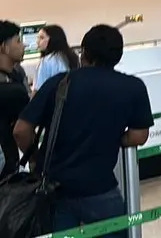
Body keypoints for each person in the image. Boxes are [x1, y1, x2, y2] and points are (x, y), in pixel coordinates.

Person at [15, 24, 152, 235]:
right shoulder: (133, 87)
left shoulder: (60, 83)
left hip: (56, 190)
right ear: (118, 55)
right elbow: (138, 135)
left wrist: (35, 158)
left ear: (84, 52)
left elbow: (21, 130)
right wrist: (114, 138)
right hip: (102, 189)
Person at [0, 21, 30, 180]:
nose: (23, 45)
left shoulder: (17, 74)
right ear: (3, 47)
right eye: (18, 41)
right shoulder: (10, 89)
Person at [34, 24, 80, 91]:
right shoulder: (72, 57)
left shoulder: (46, 61)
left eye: (42, 38)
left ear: (53, 39)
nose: (37, 41)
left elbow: (38, 90)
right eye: (38, 38)